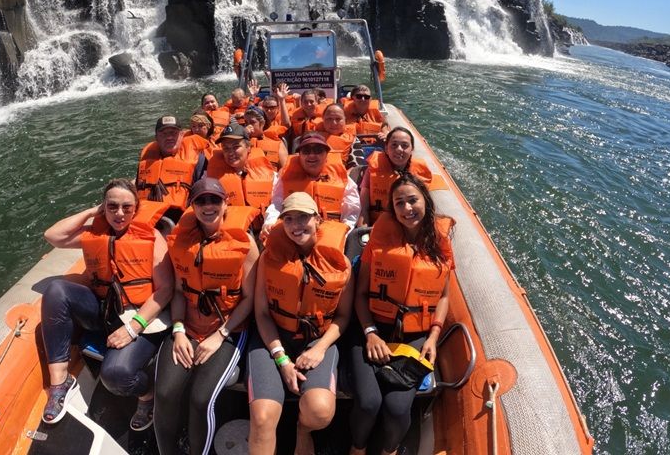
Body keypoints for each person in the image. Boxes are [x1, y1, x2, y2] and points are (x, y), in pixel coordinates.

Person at [39, 179, 173, 429]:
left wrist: (134, 327)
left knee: (116, 376)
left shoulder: (151, 237)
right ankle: (60, 383)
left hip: (140, 314)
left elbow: (166, 290)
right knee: (56, 290)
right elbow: (53, 236)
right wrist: (92, 212)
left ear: (136, 208)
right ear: (104, 207)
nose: (119, 213)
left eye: (126, 207)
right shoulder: (95, 232)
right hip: (104, 308)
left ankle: (147, 395)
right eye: (111, 206)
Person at [348, 174, 454, 455]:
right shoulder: (379, 242)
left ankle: (389, 450)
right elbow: (360, 295)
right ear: (392, 209)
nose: (407, 208)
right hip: (370, 329)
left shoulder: (439, 242)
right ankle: (357, 449)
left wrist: (433, 336)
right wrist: (370, 333)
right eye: (399, 203)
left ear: (425, 201)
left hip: (415, 335)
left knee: (396, 408)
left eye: (412, 200)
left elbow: (443, 295)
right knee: (369, 402)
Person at [154, 178, 260, 455]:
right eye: (201, 201)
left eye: (215, 200)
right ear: (193, 206)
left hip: (228, 330)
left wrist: (219, 335)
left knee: (201, 400)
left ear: (226, 205)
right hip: (187, 325)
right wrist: (178, 330)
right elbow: (178, 290)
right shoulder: (181, 242)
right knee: (164, 394)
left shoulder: (245, 244)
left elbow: (250, 299)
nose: (208, 206)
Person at [247, 192, 354, 455]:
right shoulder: (268, 259)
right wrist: (281, 358)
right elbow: (261, 313)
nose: (297, 226)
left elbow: (342, 317)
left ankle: (302, 430)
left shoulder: (341, 264)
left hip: (317, 338)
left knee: (320, 411)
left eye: (304, 217)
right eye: (289, 219)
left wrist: (319, 349)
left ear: (318, 219)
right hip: (274, 338)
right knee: (262, 418)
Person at [261, 132, 360, 240]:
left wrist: (343, 235)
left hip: (329, 235)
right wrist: (270, 222)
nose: (312, 155)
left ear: (326, 154)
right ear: (299, 155)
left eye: (318, 150)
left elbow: (351, 211)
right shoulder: (285, 177)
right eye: (306, 151)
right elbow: (276, 204)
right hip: (294, 234)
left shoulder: (343, 179)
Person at [204, 123, 276, 229]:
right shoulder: (210, 178)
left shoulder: (271, 175)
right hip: (229, 231)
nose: (230, 152)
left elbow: (277, 203)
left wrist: (269, 223)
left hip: (262, 231)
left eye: (236, 146)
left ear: (248, 147)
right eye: (226, 148)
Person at [135, 115, 204, 222]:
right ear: (156, 137)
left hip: (180, 222)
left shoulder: (198, 160)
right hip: (145, 219)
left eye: (173, 133)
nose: (169, 137)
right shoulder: (145, 162)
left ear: (182, 135)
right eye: (164, 133)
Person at [359, 127, 433, 225]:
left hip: (407, 226)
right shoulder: (372, 170)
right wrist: (364, 236)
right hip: (376, 226)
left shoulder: (419, 173)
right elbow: (363, 208)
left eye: (405, 145)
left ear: (412, 149)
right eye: (394, 145)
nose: (399, 149)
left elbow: (425, 209)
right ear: (386, 148)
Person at [244, 105, 288, 171]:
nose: (248, 125)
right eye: (246, 123)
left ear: (262, 123)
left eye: (252, 122)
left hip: (271, 179)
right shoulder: (240, 143)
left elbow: (285, 170)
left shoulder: (277, 144)